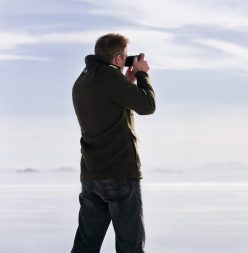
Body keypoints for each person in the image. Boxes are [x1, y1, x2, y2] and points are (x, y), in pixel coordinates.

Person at [71, 33, 155, 253]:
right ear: (118, 59)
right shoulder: (110, 75)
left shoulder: (82, 80)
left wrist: (126, 82)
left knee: (86, 244)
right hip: (120, 174)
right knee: (130, 245)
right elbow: (147, 105)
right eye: (125, 58)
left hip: (92, 175)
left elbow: (106, 111)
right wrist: (143, 75)